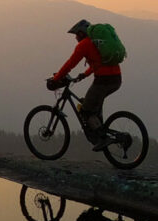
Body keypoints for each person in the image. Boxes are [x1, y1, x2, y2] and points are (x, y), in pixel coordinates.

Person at [47, 19, 122, 148]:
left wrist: (56, 79)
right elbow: (98, 63)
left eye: (76, 34)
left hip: (103, 81)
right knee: (93, 105)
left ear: (81, 33)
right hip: (116, 79)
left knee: (85, 110)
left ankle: (102, 138)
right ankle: (100, 128)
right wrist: (84, 75)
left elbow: (70, 64)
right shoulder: (96, 43)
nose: (75, 37)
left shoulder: (84, 45)